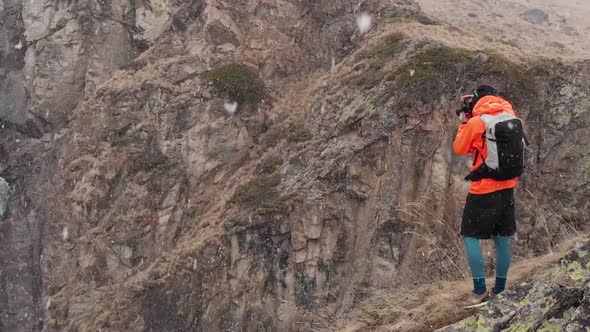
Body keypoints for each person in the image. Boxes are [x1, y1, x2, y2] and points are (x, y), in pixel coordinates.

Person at [453, 84, 519, 305]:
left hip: (483, 189)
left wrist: (464, 121)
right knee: (502, 239)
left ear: (477, 101)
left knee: (470, 236)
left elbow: (460, 149)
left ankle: (479, 290)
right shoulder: (509, 114)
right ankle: (500, 289)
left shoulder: (476, 122)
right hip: (507, 187)